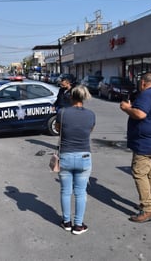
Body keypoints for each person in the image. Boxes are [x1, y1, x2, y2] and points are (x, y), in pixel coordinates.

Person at [120, 72, 151, 223]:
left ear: (143, 83)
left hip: (145, 144)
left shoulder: (146, 95)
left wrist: (126, 108)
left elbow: (140, 114)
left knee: (139, 173)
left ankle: (147, 208)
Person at [56, 85, 95, 235]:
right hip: (84, 157)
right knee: (80, 192)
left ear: (71, 97)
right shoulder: (91, 115)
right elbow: (89, 131)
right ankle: (78, 225)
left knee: (65, 191)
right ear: (84, 98)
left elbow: (60, 130)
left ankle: (66, 221)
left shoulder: (63, 112)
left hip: (65, 155)